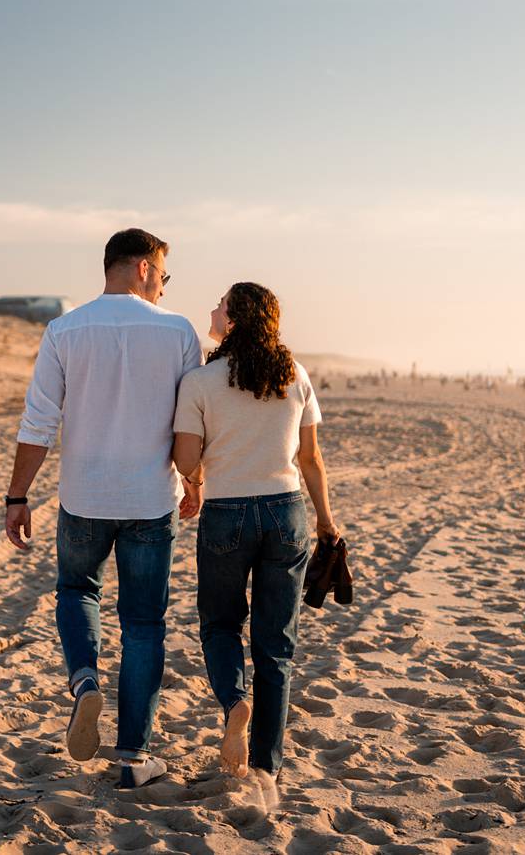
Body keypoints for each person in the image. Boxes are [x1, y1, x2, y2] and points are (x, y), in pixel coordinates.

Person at [2, 228, 203, 789]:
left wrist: (18, 496)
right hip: (149, 500)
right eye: (163, 274)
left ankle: (85, 683)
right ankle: (134, 758)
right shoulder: (179, 331)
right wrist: (195, 479)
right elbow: (191, 422)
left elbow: (38, 422)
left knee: (76, 591)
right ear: (142, 267)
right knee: (143, 623)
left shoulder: (65, 329)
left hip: (84, 498)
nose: (164, 286)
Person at [171, 282, 338, 808]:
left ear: (237, 318)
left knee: (221, 625)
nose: (212, 309)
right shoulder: (296, 376)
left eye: (221, 304)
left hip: (227, 513)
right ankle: (266, 765)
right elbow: (310, 460)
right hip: (288, 512)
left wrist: (195, 484)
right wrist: (329, 523)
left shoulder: (200, 380)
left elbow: (185, 460)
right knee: (276, 645)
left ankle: (235, 703)